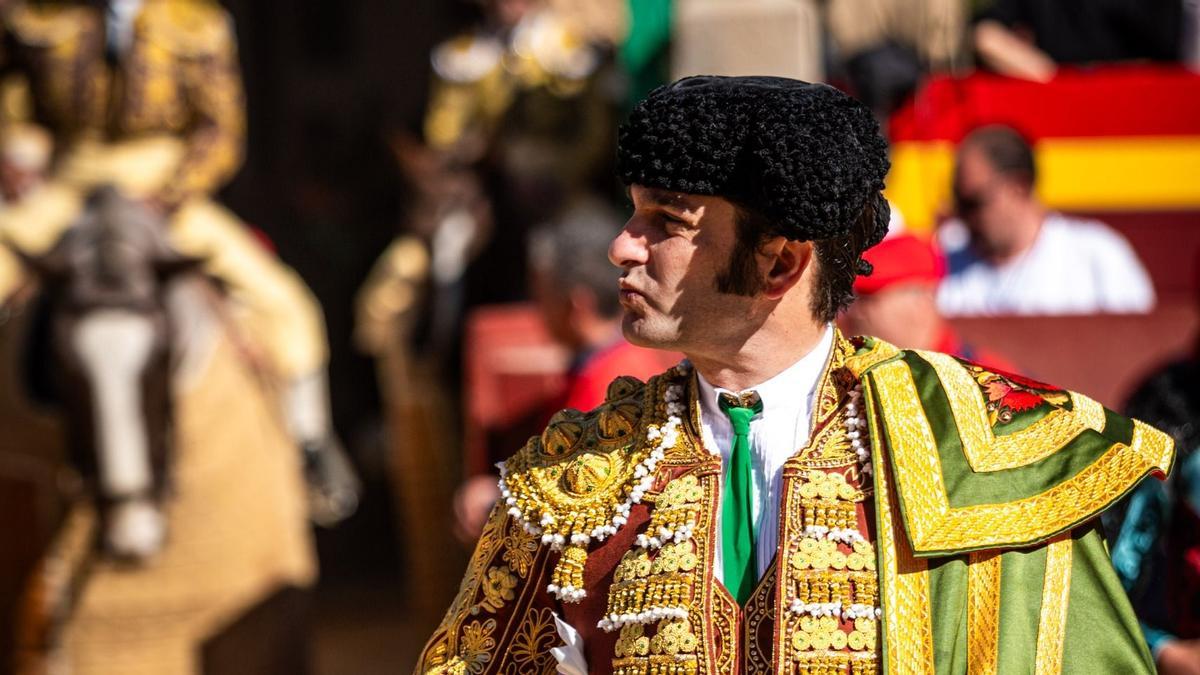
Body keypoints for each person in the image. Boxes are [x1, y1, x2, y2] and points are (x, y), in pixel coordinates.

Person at [417, 76, 1173, 673]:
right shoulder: (573, 476)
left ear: (781, 260)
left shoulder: (984, 454)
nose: (622, 246)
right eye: (633, 213)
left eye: (668, 223)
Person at [0, 0, 356, 521]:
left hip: (162, 191)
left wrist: (170, 194)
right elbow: (13, 104)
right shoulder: (37, 18)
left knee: (286, 304)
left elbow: (221, 130)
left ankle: (310, 447)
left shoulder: (197, 23)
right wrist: (18, 160)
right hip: (66, 190)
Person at [453, 200, 665, 543]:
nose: (537, 309)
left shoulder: (610, 387)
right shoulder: (613, 362)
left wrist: (496, 502)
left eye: (541, 295)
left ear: (575, 305)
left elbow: (575, 495)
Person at [938, 125, 1156, 316]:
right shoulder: (946, 254)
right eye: (958, 203)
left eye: (973, 202)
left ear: (1018, 189)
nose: (963, 216)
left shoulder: (1096, 256)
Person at [845, 232, 1016, 371]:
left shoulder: (985, 381)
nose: (854, 311)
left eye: (866, 299)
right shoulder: (845, 371)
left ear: (921, 303)